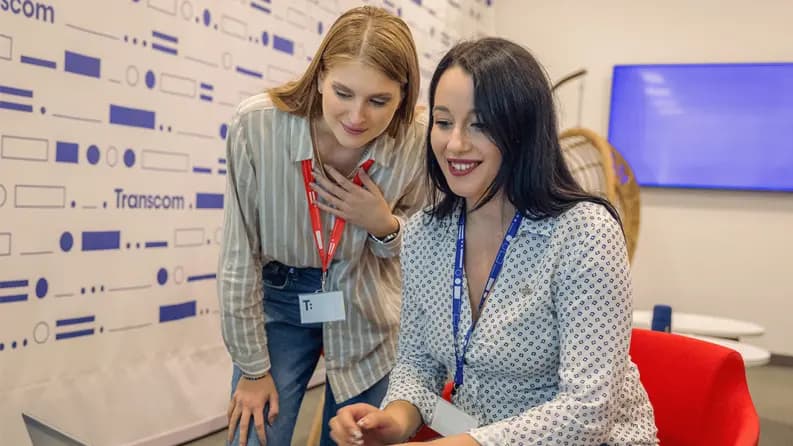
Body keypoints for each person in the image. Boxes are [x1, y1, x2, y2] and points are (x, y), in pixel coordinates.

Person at [328, 37, 659, 445]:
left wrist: (467, 443)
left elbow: (588, 412)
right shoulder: (424, 234)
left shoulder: (584, 232)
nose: (455, 144)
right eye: (444, 122)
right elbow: (417, 364)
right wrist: (393, 420)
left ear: (522, 130)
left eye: (480, 125)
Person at [217, 6, 427, 445]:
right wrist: (253, 371)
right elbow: (239, 259)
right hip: (279, 301)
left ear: (404, 96)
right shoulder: (257, 126)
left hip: (366, 301)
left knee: (359, 438)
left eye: (379, 101)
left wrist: (383, 225)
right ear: (318, 77)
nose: (357, 116)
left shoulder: (418, 140)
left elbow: (427, 250)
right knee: (253, 436)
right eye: (343, 93)